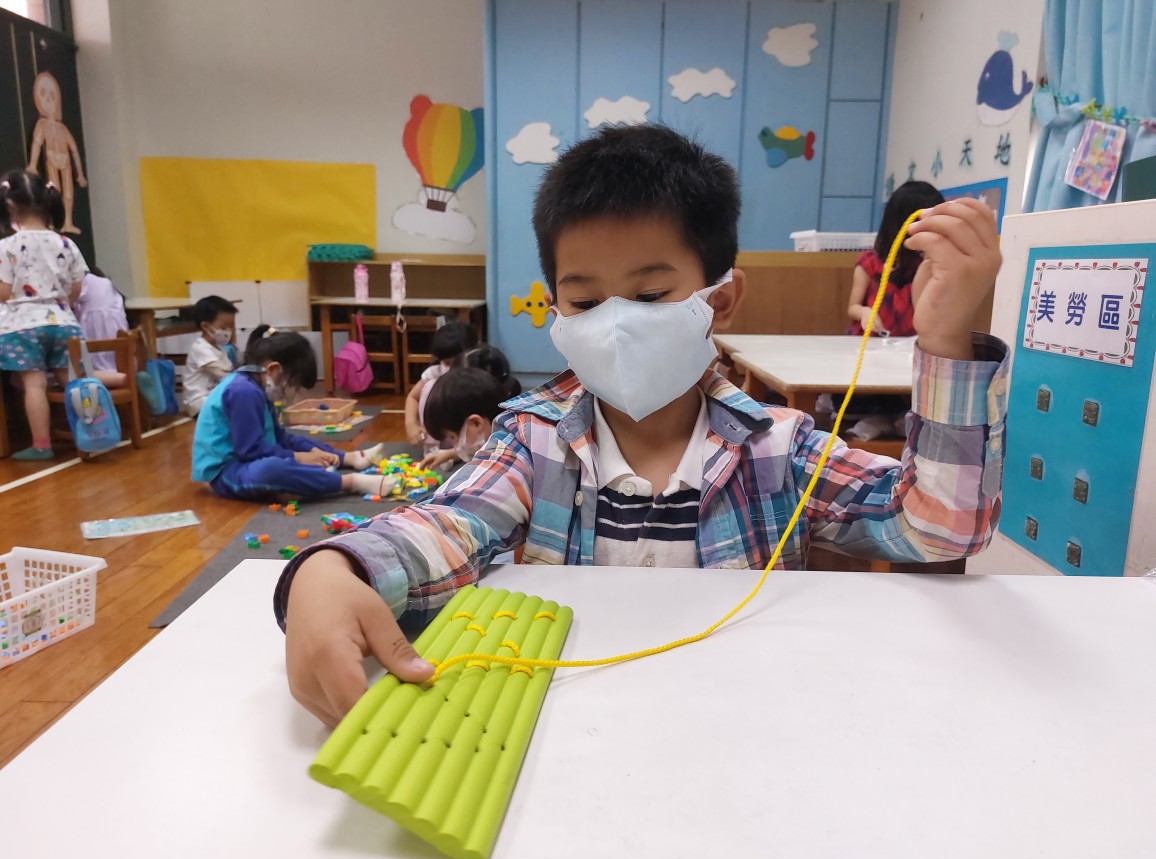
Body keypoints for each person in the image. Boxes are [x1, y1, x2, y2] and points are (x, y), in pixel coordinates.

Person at [277, 124, 1008, 727]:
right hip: (574, 737)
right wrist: (333, 569)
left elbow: (937, 528)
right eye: (585, 303)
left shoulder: (775, 451)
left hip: (741, 730)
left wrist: (945, 339)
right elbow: (446, 525)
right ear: (555, 307)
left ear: (721, 299)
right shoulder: (534, 444)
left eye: (651, 294)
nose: (617, 325)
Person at [191, 325, 393, 501]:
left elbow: (280, 438)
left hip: (249, 459)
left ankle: (350, 458)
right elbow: (250, 451)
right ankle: (351, 482)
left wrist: (306, 454)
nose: (289, 390)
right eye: (291, 382)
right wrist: (299, 458)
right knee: (271, 469)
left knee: (297, 445)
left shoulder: (256, 387)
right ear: (273, 369)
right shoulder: (243, 391)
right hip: (227, 472)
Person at [0, 169, 86, 460]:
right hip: (64, 322)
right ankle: (93, 433)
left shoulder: (6, 246)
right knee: (73, 380)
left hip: (22, 326)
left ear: (9, 205)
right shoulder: (66, 243)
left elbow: (4, 292)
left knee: (33, 384)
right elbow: (76, 288)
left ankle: (41, 445)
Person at [846, 181, 946, 337]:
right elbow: (853, 307)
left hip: (910, 344)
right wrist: (865, 312)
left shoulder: (929, 265)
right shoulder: (870, 262)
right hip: (871, 341)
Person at [416, 345, 523, 469]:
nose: (455, 444)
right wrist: (449, 454)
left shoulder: (510, 456)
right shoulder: (500, 428)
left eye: (453, 437)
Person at [404, 319, 478, 447]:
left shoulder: (477, 376)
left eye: (457, 362)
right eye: (447, 363)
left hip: (469, 441)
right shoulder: (436, 372)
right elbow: (412, 397)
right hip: (441, 438)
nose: (452, 369)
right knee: (430, 387)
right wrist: (411, 425)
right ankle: (432, 443)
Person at [184, 295, 238, 416]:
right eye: (224, 327)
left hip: (213, 397)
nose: (228, 331)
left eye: (231, 326)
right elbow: (222, 372)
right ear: (206, 326)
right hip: (199, 401)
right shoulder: (200, 348)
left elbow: (230, 371)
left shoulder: (220, 348)